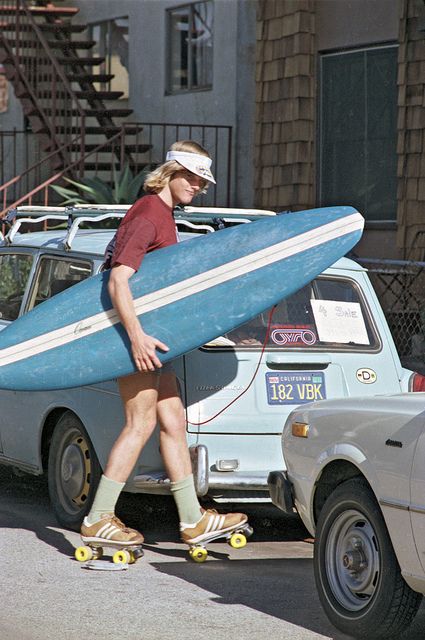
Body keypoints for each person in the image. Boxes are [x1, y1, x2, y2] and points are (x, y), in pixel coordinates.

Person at [80, 140, 247, 549]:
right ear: (172, 172)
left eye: (203, 181)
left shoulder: (164, 214)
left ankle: (192, 519)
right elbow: (117, 280)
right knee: (140, 424)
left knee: (173, 422)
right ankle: (98, 518)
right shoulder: (148, 214)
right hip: (134, 339)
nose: (199, 186)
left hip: (152, 340)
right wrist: (135, 338)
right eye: (193, 177)